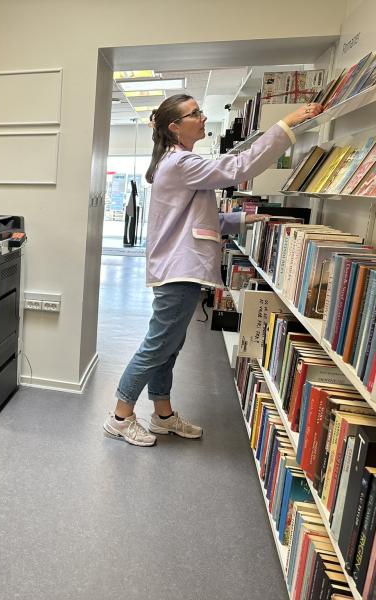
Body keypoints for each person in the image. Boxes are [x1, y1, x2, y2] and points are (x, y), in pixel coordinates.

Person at [102, 94, 323, 447]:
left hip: (180, 269)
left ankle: (162, 415)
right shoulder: (180, 162)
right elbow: (238, 168)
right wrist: (286, 125)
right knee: (157, 346)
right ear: (175, 127)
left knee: (168, 347)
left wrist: (244, 219)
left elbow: (199, 220)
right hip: (179, 271)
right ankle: (120, 416)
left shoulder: (177, 163)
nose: (203, 117)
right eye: (195, 113)